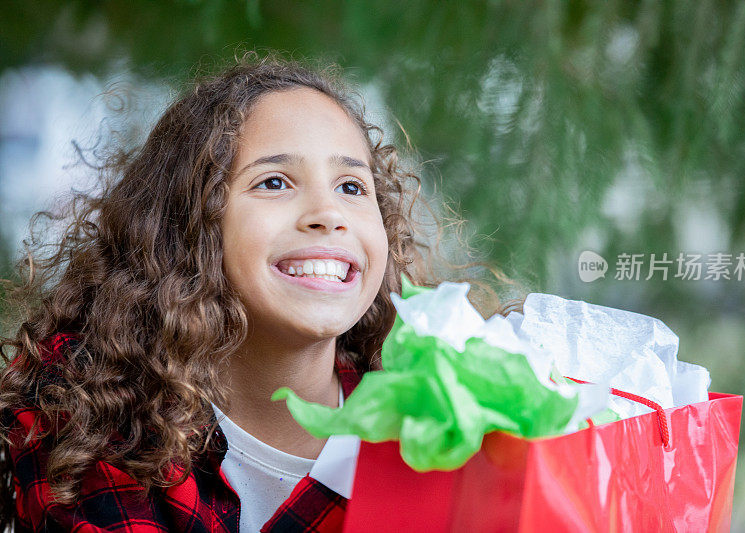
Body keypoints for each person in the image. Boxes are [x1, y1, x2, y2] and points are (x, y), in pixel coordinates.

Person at [0, 51, 520, 532]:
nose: (328, 215)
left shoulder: (441, 427)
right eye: (274, 182)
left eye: (352, 187)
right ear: (188, 225)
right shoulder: (85, 404)